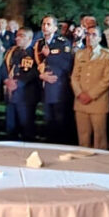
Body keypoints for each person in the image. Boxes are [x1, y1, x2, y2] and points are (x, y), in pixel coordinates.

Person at [71, 25, 109, 149]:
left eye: (94, 34)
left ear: (100, 38)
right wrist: (79, 93)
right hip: (81, 102)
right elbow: (74, 77)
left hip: (98, 102)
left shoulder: (107, 55)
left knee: (99, 138)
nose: (90, 37)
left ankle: (100, 165)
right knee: (83, 137)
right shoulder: (80, 54)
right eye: (88, 34)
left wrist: (90, 95)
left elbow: (107, 79)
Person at [36, 15, 74, 143]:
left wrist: (50, 56)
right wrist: (40, 75)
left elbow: (66, 64)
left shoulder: (63, 42)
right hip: (45, 88)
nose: (45, 27)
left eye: (48, 24)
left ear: (55, 28)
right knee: (49, 122)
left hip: (59, 88)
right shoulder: (39, 44)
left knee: (60, 122)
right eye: (43, 24)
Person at [0, 28, 40, 141]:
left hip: (26, 94)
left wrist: (19, 83)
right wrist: (6, 80)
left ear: (29, 38)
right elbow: (4, 67)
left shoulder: (34, 53)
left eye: (21, 36)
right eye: (17, 35)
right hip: (11, 93)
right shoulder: (12, 51)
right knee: (11, 126)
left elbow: (35, 71)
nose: (17, 38)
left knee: (26, 126)